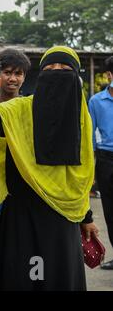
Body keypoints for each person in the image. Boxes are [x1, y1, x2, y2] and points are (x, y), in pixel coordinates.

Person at [0, 46, 99, 290]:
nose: (57, 74)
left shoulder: (81, 118)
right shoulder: (21, 109)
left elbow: (79, 176)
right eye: (50, 69)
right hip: (22, 216)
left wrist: (86, 217)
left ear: (76, 77)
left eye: (64, 70)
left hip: (62, 221)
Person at [88, 56, 113, 270]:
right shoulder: (96, 101)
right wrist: (91, 170)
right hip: (106, 159)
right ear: (109, 75)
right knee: (110, 210)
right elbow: (90, 137)